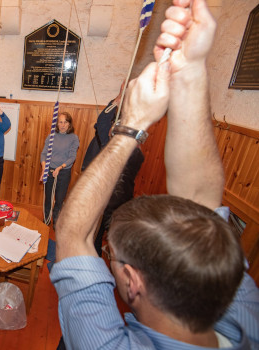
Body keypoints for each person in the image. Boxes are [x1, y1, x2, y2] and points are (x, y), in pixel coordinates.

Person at [51, 1, 259, 349]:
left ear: (132, 281)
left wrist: (130, 126)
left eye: (112, 255)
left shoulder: (104, 344)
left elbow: (72, 234)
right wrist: (190, 67)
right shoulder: (243, 312)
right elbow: (201, 201)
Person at [81, 83, 144, 256]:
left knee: (112, 229)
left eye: (119, 127)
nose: (114, 129)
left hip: (118, 198)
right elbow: (102, 120)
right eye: (114, 126)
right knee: (96, 227)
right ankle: (95, 252)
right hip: (103, 195)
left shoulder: (131, 151)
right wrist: (117, 99)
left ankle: (113, 253)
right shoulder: (106, 141)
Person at [39, 112, 79, 226]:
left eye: (65, 122)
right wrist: (44, 169)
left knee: (59, 199)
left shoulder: (74, 138)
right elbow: (43, 154)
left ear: (69, 124)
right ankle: (46, 220)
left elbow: (72, 157)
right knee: (48, 198)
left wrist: (60, 167)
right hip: (50, 171)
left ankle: (56, 220)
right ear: (57, 124)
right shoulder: (51, 136)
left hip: (63, 173)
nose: (62, 125)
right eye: (60, 122)